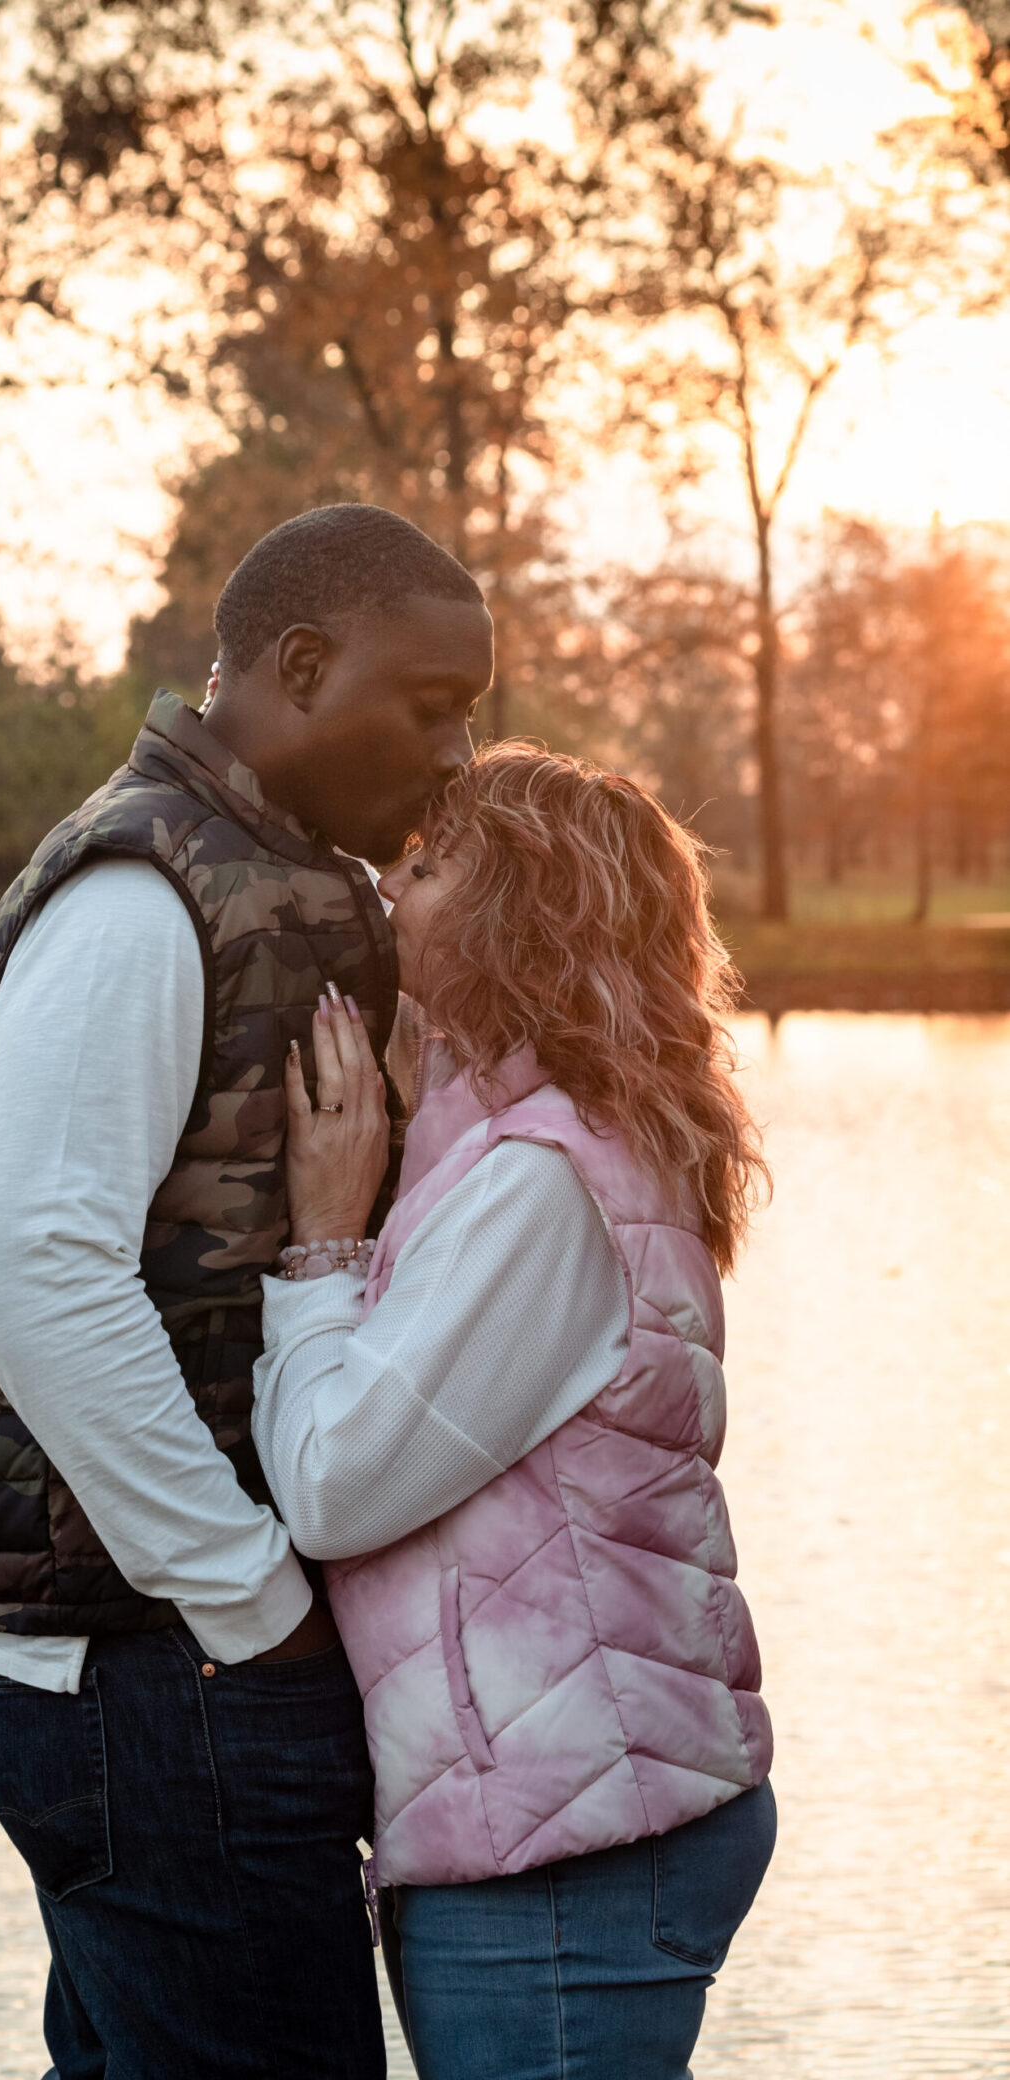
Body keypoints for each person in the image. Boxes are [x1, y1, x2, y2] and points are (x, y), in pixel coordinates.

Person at [0, 503, 493, 2080]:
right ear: (302, 666)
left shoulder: (276, 876)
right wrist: (250, 1600)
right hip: (151, 1668)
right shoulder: (136, 898)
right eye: (435, 707)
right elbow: (30, 1275)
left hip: (172, 1659)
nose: (458, 754)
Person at [251, 745, 777, 2080]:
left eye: (429, 869)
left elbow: (331, 1486)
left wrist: (317, 1251)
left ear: (518, 917)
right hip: (567, 1807)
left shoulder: (543, 1185)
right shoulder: (533, 1144)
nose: (389, 888)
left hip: (566, 1842)